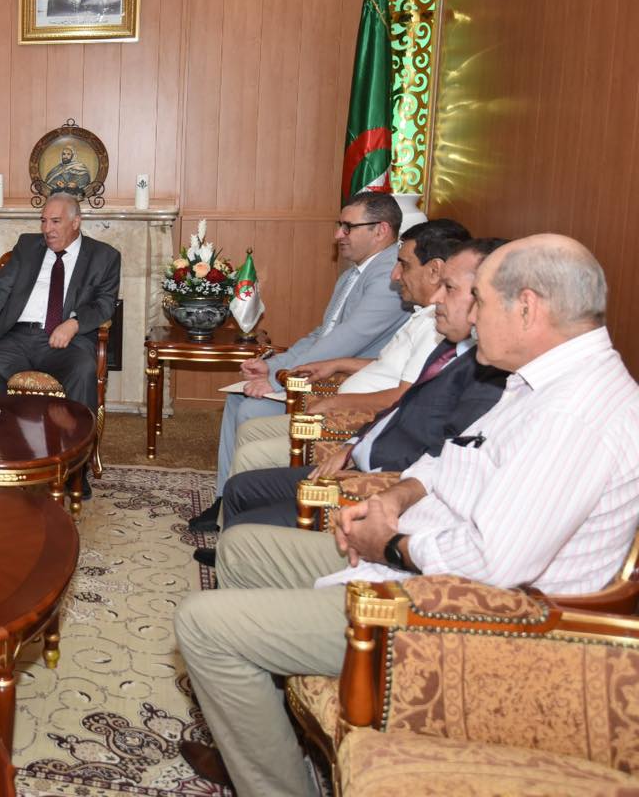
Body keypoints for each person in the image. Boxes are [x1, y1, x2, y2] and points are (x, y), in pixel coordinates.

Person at [175, 234, 639, 797]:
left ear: (527, 308)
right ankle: (266, 734)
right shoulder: (538, 383)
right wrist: (395, 499)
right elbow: (449, 460)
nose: (471, 315)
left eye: (480, 301)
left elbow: (494, 563)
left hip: (465, 619)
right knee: (244, 549)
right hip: (422, 562)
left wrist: (390, 545)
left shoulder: (575, 415)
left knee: (202, 625)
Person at [216, 238, 508, 536]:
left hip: (371, 466)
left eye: (450, 288)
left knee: (243, 514)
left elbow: (412, 420)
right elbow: (382, 377)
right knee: (240, 487)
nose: (396, 275)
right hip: (358, 442)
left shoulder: (480, 372)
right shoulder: (444, 343)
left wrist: (331, 408)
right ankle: (222, 513)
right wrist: (351, 441)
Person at [198, 192, 408, 529]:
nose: (338, 234)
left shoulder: (389, 278)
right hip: (317, 373)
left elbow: (346, 340)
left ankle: (252, 510)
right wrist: (273, 364)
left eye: (348, 227)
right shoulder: (352, 274)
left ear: (381, 230)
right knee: (237, 399)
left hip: (342, 385)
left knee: (252, 409)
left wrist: (278, 378)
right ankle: (226, 500)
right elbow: (321, 334)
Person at [0, 192, 120, 494]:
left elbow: (104, 304)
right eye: (44, 221)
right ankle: (7, 452)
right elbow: (1, 287)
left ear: (76, 222)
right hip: (19, 336)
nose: (48, 229)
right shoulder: (28, 246)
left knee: (83, 370)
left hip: (67, 339)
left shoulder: (104, 256)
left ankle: (75, 468)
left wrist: (73, 324)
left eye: (56, 222)